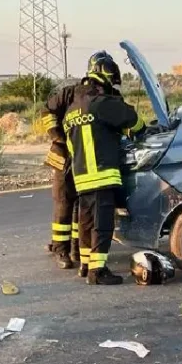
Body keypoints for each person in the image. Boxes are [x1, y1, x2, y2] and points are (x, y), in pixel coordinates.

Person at [64, 55, 145, 284]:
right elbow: (135, 122)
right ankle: (97, 272)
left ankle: (86, 265)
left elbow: (72, 145)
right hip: (102, 176)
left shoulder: (72, 110)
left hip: (81, 179)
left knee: (86, 223)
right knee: (103, 226)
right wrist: (135, 131)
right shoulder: (102, 103)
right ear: (106, 79)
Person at [41, 51, 120, 271]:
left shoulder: (110, 95)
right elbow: (47, 111)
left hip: (90, 158)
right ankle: (61, 249)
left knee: (83, 206)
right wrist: (59, 137)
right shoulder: (70, 93)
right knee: (65, 202)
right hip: (65, 156)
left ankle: (79, 250)